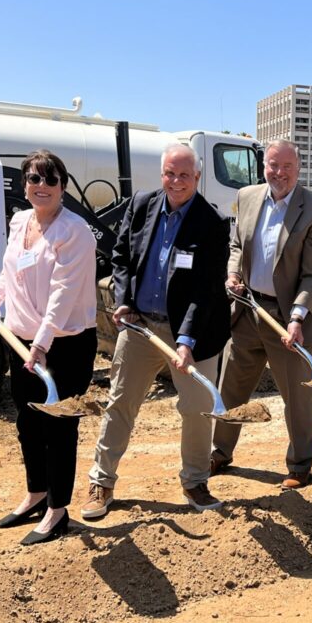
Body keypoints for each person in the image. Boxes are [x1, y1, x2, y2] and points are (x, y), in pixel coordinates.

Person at [81, 144, 231, 519]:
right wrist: (123, 300)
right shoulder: (142, 205)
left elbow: (207, 289)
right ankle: (101, 482)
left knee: (197, 410)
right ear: (161, 174)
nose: (175, 182)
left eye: (183, 175)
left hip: (194, 336)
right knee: (120, 403)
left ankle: (195, 481)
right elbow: (121, 257)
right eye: (169, 173)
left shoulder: (212, 223)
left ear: (197, 178)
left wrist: (185, 340)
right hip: (140, 326)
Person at [0, 150, 97, 545]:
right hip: (21, 338)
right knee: (27, 423)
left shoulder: (74, 231)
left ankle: (58, 510)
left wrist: (41, 345)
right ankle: (36, 493)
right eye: (33, 178)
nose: (40, 186)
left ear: (62, 186)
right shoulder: (19, 220)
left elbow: (63, 293)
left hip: (65, 344)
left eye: (49, 179)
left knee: (59, 428)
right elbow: (12, 272)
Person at [212, 140, 312, 490]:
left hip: (290, 319)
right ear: (263, 166)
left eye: (286, 167)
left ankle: (299, 464)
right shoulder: (248, 196)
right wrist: (234, 273)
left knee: (297, 396)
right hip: (249, 310)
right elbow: (237, 244)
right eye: (272, 165)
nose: (278, 173)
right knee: (232, 388)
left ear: (298, 168)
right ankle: (219, 451)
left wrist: (297, 317)